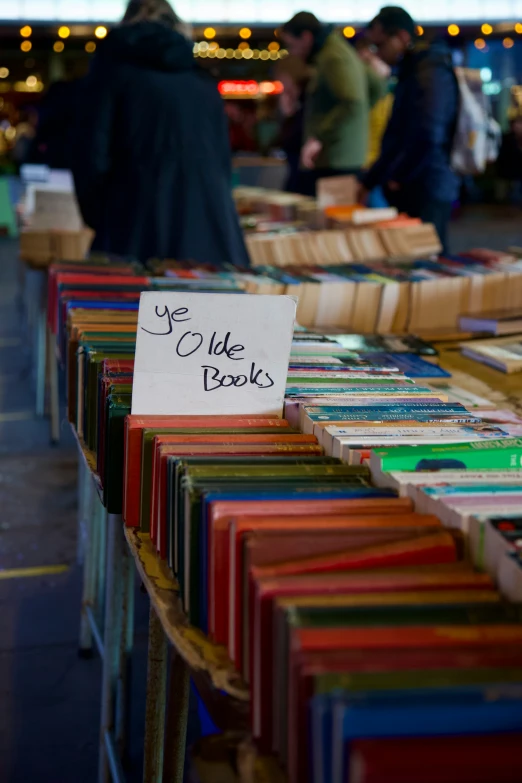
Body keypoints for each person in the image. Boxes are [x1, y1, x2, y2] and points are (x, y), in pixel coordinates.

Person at [72, 0, 249, 266]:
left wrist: (105, 216)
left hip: (134, 229)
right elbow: (222, 165)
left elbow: (91, 157)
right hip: (211, 232)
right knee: (208, 305)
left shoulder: (113, 75)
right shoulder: (202, 82)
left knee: (133, 305)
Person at [359, 6, 459, 251]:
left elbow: (428, 134)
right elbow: (400, 135)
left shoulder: (429, 70)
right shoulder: (414, 69)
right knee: (413, 259)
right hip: (417, 182)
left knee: (429, 263)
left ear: (402, 37)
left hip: (426, 185)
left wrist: (398, 175)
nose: (378, 54)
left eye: (380, 45)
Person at [280, 11, 385, 196]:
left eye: (291, 44)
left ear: (306, 37)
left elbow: (353, 102)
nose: (292, 51)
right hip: (340, 157)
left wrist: (319, 136)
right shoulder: (339, 50)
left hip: (335, 160)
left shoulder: (333, 56)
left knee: (330, 220)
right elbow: (375, 88)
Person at [273, 55, 311, 193]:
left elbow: (292, 140)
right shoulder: (298, 104)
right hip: (297, 176)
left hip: (305, 179)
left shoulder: (307, 103)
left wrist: (288, 115)